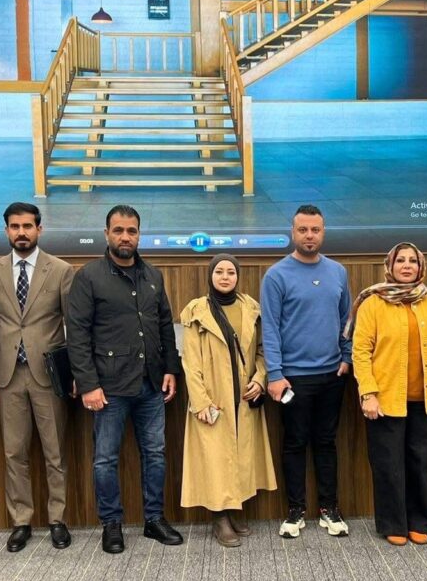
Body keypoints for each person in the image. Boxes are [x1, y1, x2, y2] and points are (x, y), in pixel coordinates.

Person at [66, 205, 184, 554]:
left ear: (139, 235)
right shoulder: (89, 277)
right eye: (118, 230)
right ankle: (111, 524)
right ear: (106, 234)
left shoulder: (153, 275)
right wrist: (88, 384)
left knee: (155, 454)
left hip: (151, 384)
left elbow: (165, 326)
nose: (125, 237)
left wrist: (170, 369)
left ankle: (154, 519)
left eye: (131, 231)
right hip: (109, 387)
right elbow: (78, 334)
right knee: (105, 458)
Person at [349, 242, 427, 546]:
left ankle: (420, 522)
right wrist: (368, 394)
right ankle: (393, 523)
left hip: (426, 400)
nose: (407, 265)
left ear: (421, 267)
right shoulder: (373, 302)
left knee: (422, 463)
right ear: (390, 266)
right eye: (400, 261)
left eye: (412, 261)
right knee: (388, 465)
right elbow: (360, 352)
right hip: (385, 400)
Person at [0, 202, 75, 553]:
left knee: (55, 452)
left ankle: (57, 519)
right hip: (9, 375)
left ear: (39, 229)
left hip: (48, 375)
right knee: (14, 452)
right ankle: (21, 520)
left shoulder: (61, 270)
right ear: (6, 230)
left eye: (27, 226)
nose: (21, 232)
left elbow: (74, 326)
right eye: (14, 226)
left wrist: (74, 373)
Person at [261, 205, 352, 539]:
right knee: (295, 443)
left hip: (332, 375)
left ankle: (329, 509)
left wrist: (346, 357)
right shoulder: (276, 275)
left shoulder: (338, 272)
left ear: (323, 232)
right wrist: (274, 374)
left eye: (315, 230)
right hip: (292, 379)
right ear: (293, 232)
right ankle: (295, 511)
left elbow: (346, 320)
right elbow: (270, 328)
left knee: (326, 442)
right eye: (303, 230)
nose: (309, 235)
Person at [179, 254, 277, 547]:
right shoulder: (197, 311)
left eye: (230, 272)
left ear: (238, 276)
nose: (225, 277)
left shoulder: (251, 308)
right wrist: (201, 401)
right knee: (215, 459)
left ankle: (234, 510)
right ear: (210, 275)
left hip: (244, 398)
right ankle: (219, 517)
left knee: (241, 457)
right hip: (213, 398)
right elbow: (191, 362)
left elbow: (263, 351)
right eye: (219, 271)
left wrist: (260, 379)